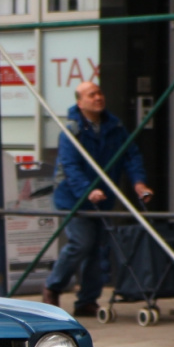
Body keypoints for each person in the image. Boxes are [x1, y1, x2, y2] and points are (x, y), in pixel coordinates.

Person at [43, 81, 152, 316]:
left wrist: (139, 183)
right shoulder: (71, 130)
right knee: (81, 242)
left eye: (99, 92)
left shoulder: (115, 127)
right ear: (80, 102)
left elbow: (130, 156)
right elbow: (70, 167)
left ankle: (87, 300)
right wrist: (87, 190)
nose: (98, 97)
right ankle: (53, 287)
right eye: (91, 95)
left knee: (97, 248)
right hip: (72, 198)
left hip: (102, 197)